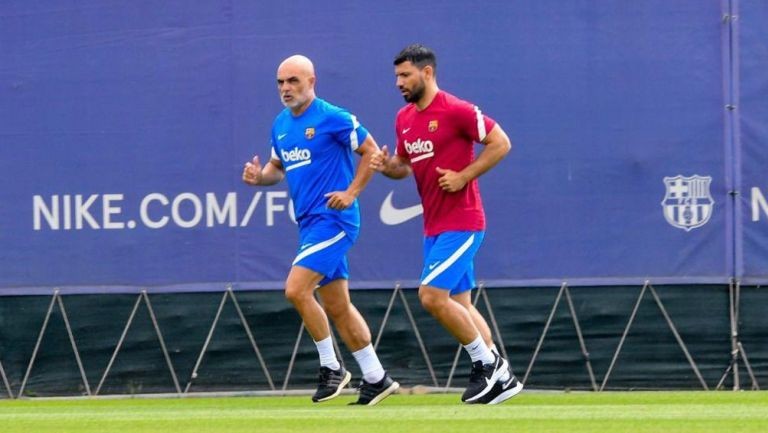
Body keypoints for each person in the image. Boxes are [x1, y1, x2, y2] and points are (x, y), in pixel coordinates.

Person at [370, 44, 523, 404]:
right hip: (434, 227)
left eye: (405, 75)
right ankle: (503, 378)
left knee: (431, 296)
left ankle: (486, 364)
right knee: (461, 304)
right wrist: (386, 166)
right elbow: (404, 167)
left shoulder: (456, 110)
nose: (399, 82)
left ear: (427, 73)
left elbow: (501, 143)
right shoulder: (404, 118)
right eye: (396, 76)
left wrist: (463, 176)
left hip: (464, 222)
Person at [242, 54, 398, 406]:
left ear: (312, 81)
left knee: (296, 290)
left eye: (293, 81)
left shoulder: (333, 117)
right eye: (281, 82)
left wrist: (352, 192)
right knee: (338, 306)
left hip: (335, 220)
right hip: (309, 224)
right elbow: (276, 169)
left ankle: (332, 368)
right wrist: (259, 178)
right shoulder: (281, 124)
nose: (286, 88)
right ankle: (376, 377)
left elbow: (371, 151)